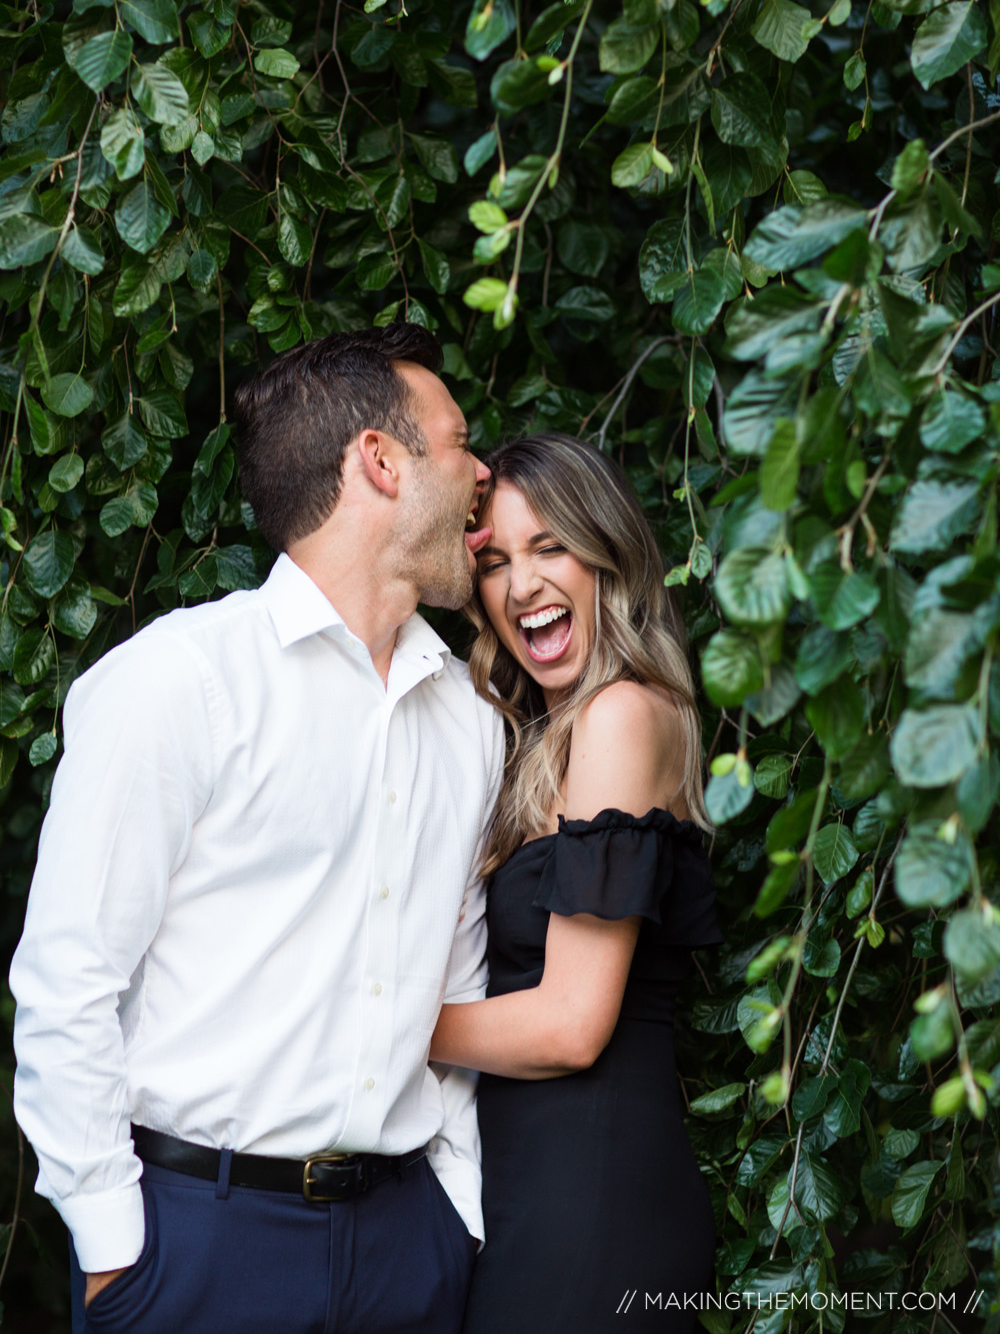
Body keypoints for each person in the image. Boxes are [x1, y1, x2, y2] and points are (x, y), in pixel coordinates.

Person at [10, 323, 505, 1334]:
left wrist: (456, 1215)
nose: (482, 476)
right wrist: (117, 1258)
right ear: (379, 460)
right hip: (197, 1246)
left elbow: (455, 988)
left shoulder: (467, 717)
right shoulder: (179, 682)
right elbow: (69, 984)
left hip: (409, 1251)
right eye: (458, 445)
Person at [429, 431, 724, 1333]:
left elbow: (569, 1025)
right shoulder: (538, 735)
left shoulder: (623, 714)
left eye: (551, 546)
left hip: (592, 1206)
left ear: (609, 555)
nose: (522, 587)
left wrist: (366, 1025)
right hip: (532, 1192)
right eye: (495, 560)